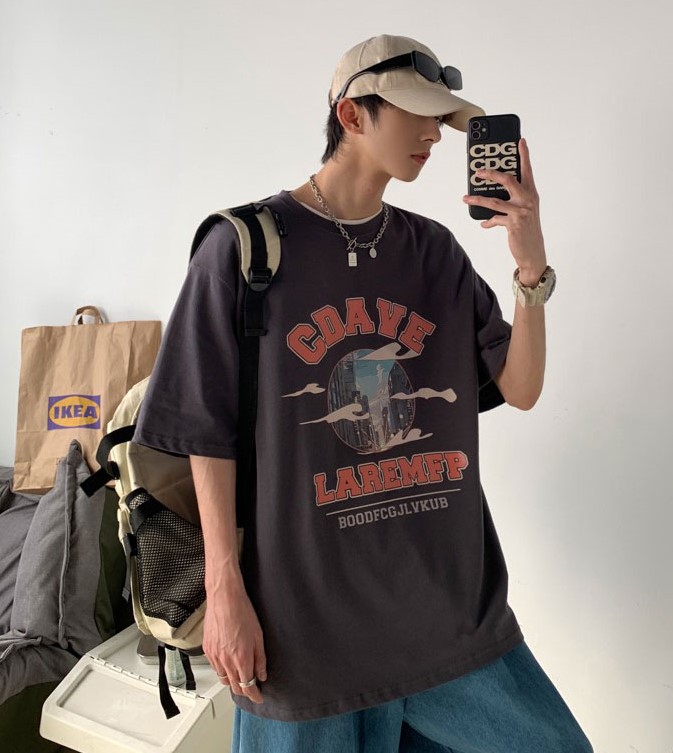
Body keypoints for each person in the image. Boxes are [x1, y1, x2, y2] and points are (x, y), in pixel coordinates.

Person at [135, 33, 592, 753]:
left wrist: (529, 265)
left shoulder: (432, 251)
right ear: (351, 115)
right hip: (302, 631)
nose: (432, 135)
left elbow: (521, 387)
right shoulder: (244, 249)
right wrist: (225, 591)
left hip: (444, 613)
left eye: (439, 119)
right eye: (416, 114)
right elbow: (204, 429)